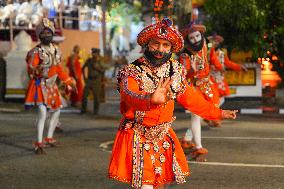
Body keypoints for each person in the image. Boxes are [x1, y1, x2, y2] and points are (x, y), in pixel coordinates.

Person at [108, 18, 237, 189]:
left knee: (162, 183)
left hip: (163, 135)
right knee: (146, 185)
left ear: (171, 48)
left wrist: (218, 113)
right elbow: (129, 94)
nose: (160, 50)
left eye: (166, 45)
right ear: (147, 44)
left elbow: (191, 99)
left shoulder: (174, 70)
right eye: (156, 44)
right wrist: (149, 99)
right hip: (138, 136)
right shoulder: (132, 71)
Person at [24, 18, 76, 154]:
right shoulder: (36, 51)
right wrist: (36, 70)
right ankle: (38, 143)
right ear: (39, 35)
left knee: (57, 111)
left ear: (52, 34)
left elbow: (58, 69)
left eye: (49, 33)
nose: (47, 35)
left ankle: (49, 138)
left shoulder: (56, 50)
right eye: (44, 33)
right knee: (42, 113)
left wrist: (68, 81)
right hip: (40, 85)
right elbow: (31, 67)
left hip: (52, 87)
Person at [178, 22, 224, 161]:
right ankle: (198, 147)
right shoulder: (185, 55)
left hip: (208, 85)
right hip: (194, 87)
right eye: (192, 38)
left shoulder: (204, 45)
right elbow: (183, 75)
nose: (196, 40)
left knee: (214, 105)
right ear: (188, 40)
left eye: (197, 36)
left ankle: (187, 138)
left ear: (201, 35)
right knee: (196, 116)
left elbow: (212, 58)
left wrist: (220, 66)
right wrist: (191, 70)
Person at [208, 32, 247, 105]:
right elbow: (211, 61)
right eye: (213, 41)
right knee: (212, 98)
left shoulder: (222, 53)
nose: (214, 42)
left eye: (216, 41)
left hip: (219, 78)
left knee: (221, 99)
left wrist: (240, 67)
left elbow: (228, 63)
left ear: (219, 42)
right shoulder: (208, 52)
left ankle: (213, 113)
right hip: (210, 78)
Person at [81, 48, 104, 114]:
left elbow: (103, 71)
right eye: (93, 53)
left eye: (95, 53)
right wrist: (84, 78)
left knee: (96, 97)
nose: (93, 54)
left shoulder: (100, 61)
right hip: (89, 80)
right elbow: (83, 68)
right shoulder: (89, 60)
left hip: (97, 80)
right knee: (84, 96)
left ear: (97, 54)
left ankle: (95, 111)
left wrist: (96, 68)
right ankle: (83, 110)